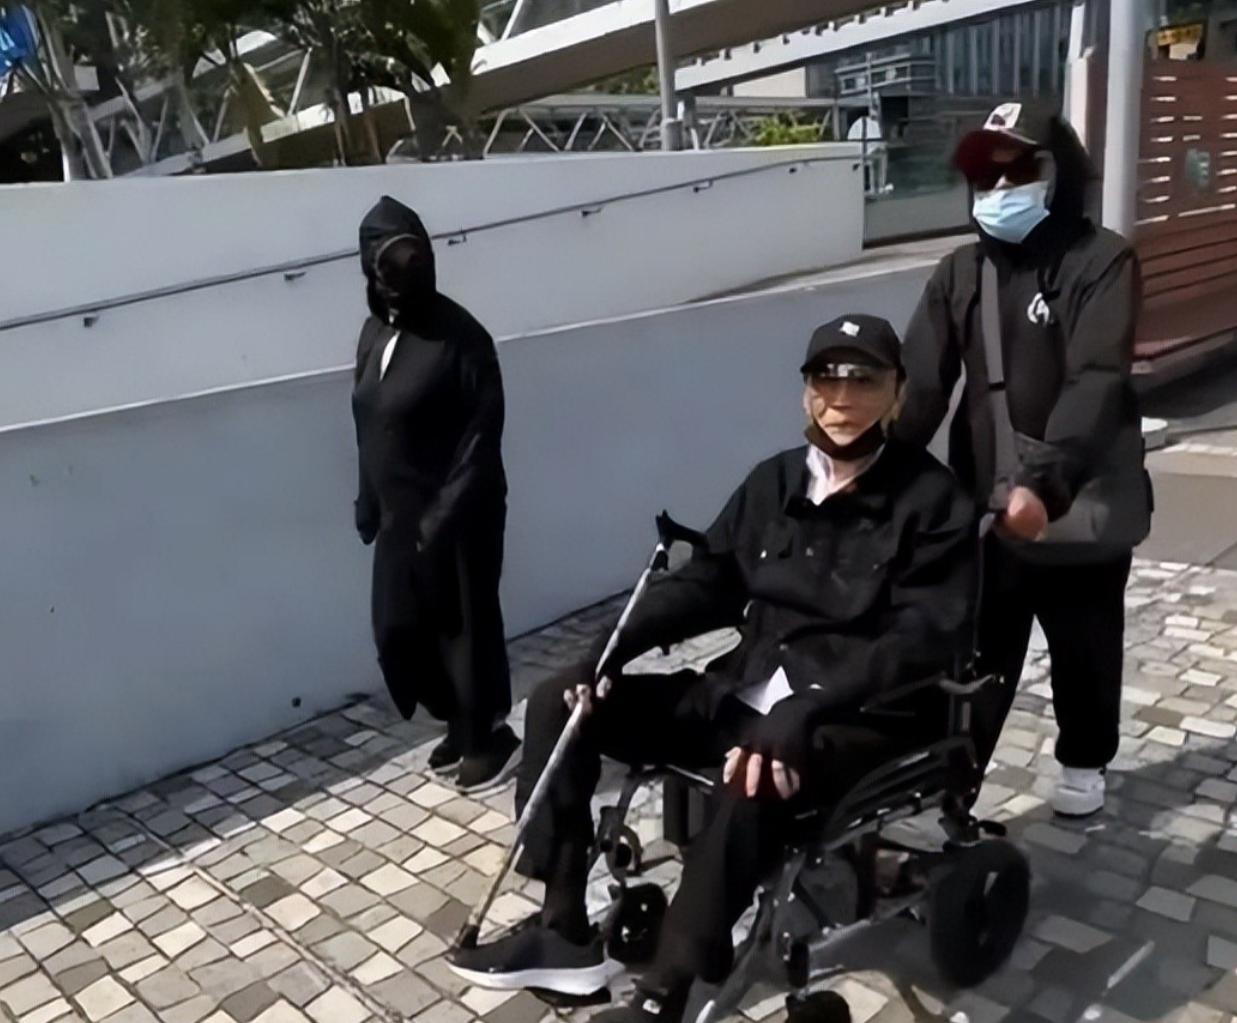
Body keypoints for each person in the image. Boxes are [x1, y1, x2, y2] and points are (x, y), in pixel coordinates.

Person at [450, 315, 976, 1022]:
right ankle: (564, 926)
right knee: (558, 702)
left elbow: (923, 637)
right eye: (827, 378)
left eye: (865, 380)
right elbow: (706, 583)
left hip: (853, 715)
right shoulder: (773, 482)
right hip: (742, 688)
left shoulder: (932, 501)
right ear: (805, 391)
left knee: (751, 772)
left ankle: (665, 991)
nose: (843, 397)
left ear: (898, 392)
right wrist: (607, 650)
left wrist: (807, 707)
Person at [894, 102, 1152, 818]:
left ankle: (1084, 759)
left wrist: (1044, 482)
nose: (999, 188)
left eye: (1019, 170)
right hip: (986, 508)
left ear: (1058, 173)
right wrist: (874, 468)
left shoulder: (1101, 261)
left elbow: (1095, 378)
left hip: (1079, 500)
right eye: (986, 176)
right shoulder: (959, 271)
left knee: (1084, 644)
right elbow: (919, 385)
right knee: (978, 652)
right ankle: (955, 783)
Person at [351, 196, 519, 793]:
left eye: (411, 256)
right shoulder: (375, 334)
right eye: (389, 260)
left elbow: (481, 439)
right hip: (398, 519)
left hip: (460, 519)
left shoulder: (463, 339)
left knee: (462, 633)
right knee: (398, 632)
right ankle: (456, 720)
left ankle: (486, 737)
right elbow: (368, 420)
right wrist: (367, 500)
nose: (402, 270)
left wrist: (440, 521)